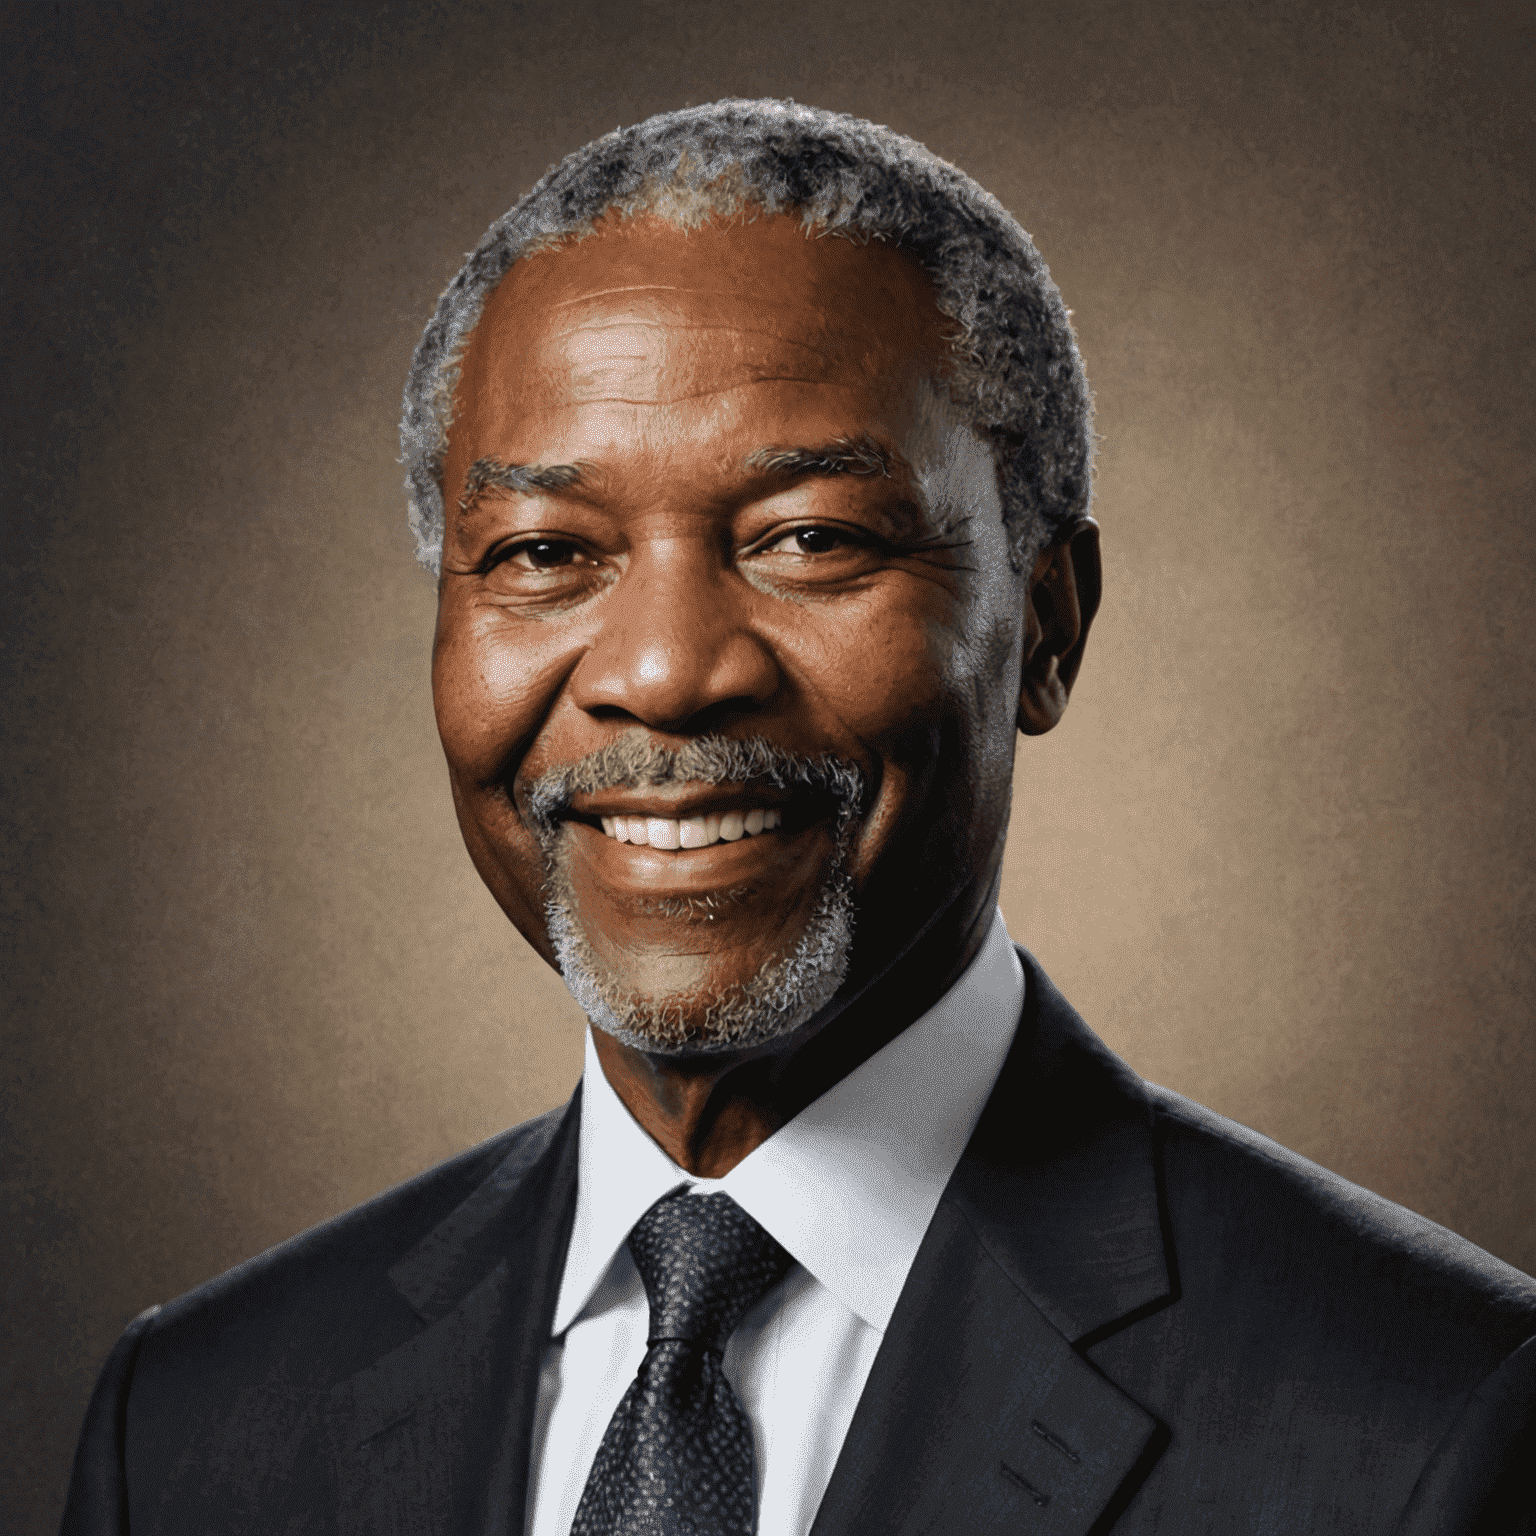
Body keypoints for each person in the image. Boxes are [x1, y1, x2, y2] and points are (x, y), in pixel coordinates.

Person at [60, 98, 1534, 1536]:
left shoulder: (1436, 1423)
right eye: (544, 551)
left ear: (1048, 625)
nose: (663, 670)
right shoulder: (194, 1421)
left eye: (810, 539)